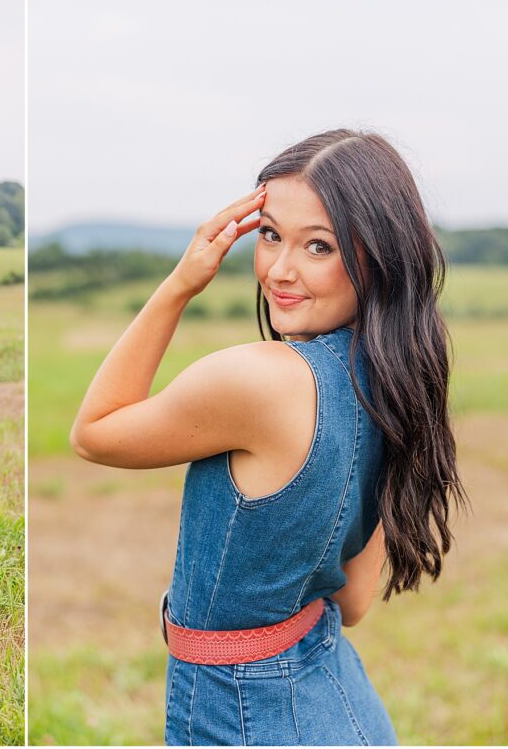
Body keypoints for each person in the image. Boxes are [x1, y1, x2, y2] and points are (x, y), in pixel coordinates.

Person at [70, 129, 467, 745]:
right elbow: (354, 603)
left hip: (245, 716)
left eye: (319, 246)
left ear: (378, 255)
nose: (280, 270)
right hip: (341, 705)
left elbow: (94, 433)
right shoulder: (396, 378)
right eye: (271, 234)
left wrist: (179, 284)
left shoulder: (262, 380)